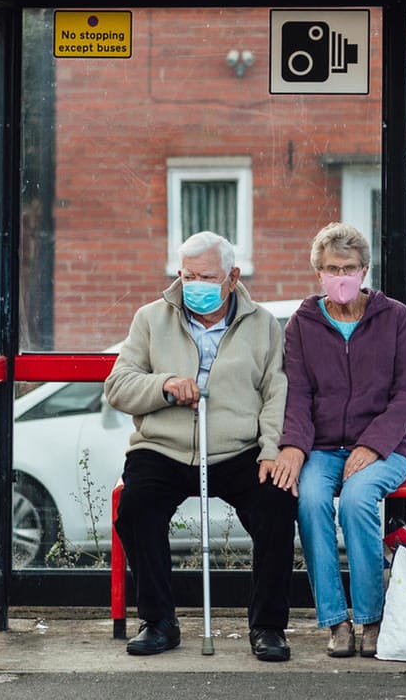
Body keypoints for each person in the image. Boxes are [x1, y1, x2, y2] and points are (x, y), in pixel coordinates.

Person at [104, 231, 296, 662]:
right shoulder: (151, 319)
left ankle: (267, 626)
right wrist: (165, 386)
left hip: (238, 448)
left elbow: (275, 393)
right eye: (188, 276)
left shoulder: (263, 324)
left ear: (232, 276)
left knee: (276, 504)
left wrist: (270, 449)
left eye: (207, 277)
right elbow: (118, 385)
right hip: (163, 446)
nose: (196, 286)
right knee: (136, 509)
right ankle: (158, 622)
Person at [269, 223, 406, 658]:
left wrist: (373, 445)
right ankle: (335, 620)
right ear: (318, 272)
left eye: (349, 267)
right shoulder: (302, 324)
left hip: (384, 448)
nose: (341, 276)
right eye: (332, 268)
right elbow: (296, 392)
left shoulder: (395, 318)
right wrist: (294, 447)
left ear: (364, 269)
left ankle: (371, 618)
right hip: (321, 447)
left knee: (357, 501)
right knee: (310, 500)